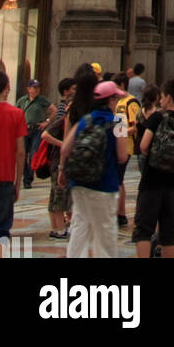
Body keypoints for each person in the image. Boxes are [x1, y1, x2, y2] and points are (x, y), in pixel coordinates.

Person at [59, 79, 129, 259]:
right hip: (104, 184)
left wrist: (62, 169)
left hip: (79, 182)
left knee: (80, 224)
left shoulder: (84, 120)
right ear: (111, 100)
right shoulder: (118, 122)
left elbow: (65, 148)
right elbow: (122, 156)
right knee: (105, 229)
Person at [133, 78, 174, 259]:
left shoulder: (156, 118)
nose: (160, 101)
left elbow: (144, 146)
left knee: (144, 229)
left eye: (162, 97)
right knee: (170, 232)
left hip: (151, 181)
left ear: (168, 98)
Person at [0, 68, 27, 250]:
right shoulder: (16, 114)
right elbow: (20, 152)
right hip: (4, 177)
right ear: (6, 88)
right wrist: (17, 183)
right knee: (1, 231)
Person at [43, 77, 75, 239]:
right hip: (58, 161)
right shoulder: (62, 119)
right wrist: (64, 144)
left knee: (57, 193)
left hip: (61, 161)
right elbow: (45, 135)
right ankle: (60, 228)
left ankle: (58, 227)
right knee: (59, 194)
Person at [112, 71, 140, 228]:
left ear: (122, 85)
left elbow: (135, 126)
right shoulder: (118, 102)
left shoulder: (131, 102)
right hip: (119, 142)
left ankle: (120, 213)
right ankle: (119, 213)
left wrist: (120, 134)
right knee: (118, 179)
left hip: (127, 145)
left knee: (117, 178)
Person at [16, 77, 55, 190]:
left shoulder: (42, 100)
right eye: (34, 87)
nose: (36, 90)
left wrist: (46, 122)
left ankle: (29, 179)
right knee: (22, 153)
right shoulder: (23, 100)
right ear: (28, 89)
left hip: (37, 130)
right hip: (24, 129)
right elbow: (16, 111)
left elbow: (54, 110)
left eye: (38, 87)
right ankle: (26, 177)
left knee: (33, 154)